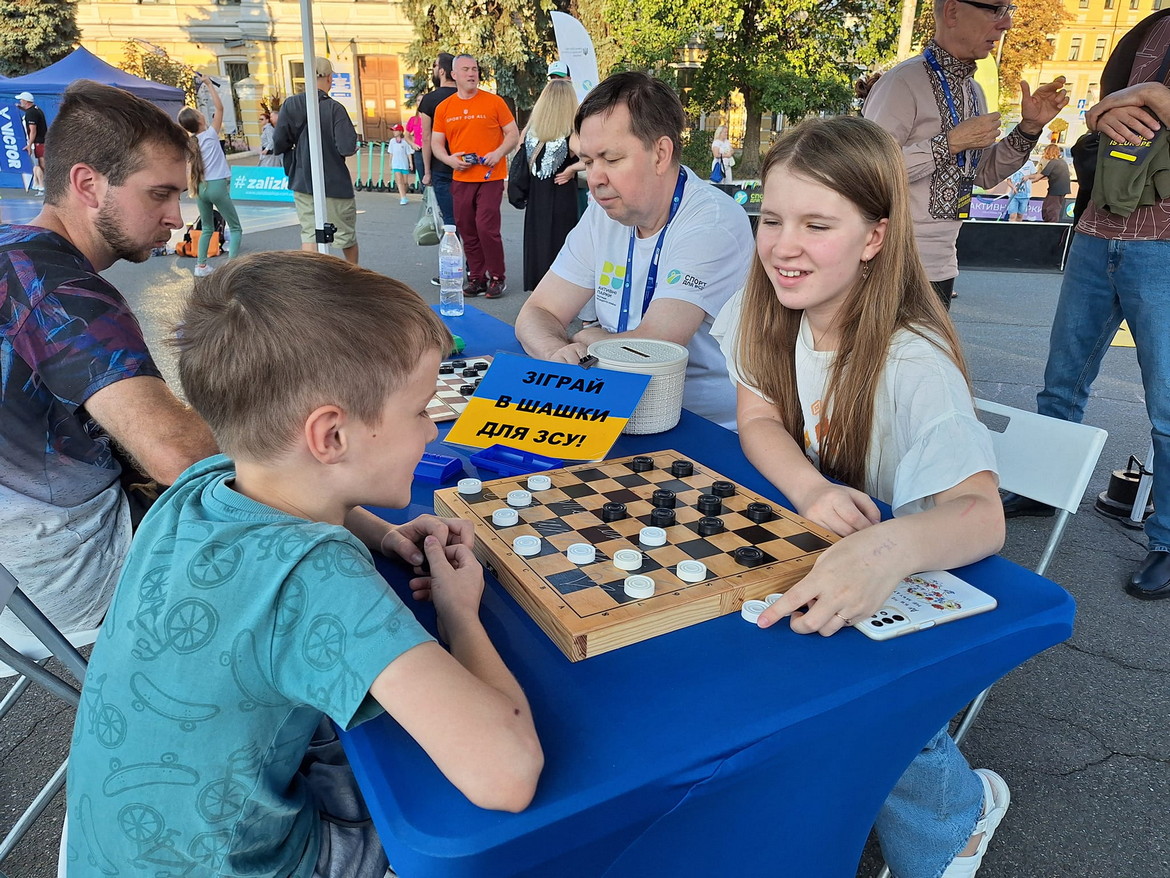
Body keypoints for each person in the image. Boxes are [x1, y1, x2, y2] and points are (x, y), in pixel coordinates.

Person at [65, 250, 544, 876]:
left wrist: (384, 533)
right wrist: (459, 616)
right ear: (331, 437)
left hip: (105, 850)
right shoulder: (314, 578)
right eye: (422, 410)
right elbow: (508, 778)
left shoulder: (199, 486)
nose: (433, 433)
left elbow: (295, 500)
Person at [710, 115, 1007, 878]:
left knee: (877, 701)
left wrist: (882, 552)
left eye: (817, 224)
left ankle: (959, 819)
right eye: (771, 219)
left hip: (921, 570)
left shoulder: (915, 360)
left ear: (875, 237)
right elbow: (757, 416)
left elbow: (981, 515)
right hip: (829, 546)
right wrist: (810, 487)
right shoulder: (766, 310)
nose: (783, 244)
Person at [0, 80, 217, 642]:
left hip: (18, 564)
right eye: (159, 194)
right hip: (61, 576)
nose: (177, 216)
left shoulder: (11, 249)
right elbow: (184, 459)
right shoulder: (63, 290)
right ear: (87, 184)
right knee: (289, 537)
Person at [1008, 9, 1170, 600]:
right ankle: (1041, 486)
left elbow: (1131, 108)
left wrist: (1150, 94)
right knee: (1061, 380)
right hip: (1099, 229)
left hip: (1165, 244)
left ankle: (1168, 539)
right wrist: (1108, 108)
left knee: (1168, 408)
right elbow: (1099, 119)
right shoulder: (1149, 27)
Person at [515, 72, 753, 430]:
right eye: (588, 161)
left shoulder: (711, 221)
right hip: (611, 404)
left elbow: (655, 347)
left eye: (610, 159)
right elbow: (538, 311)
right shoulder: (604, 210)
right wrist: (556, 351)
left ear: (660, 153)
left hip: (699, 427)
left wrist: (589, 341)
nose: (594, 178)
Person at [862, 0, 1068, 308]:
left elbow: (982, 173)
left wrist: (1029, 128)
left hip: (943, 263)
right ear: (953, 11)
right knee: (885, 356)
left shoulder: (973, 91)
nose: (1006, 24)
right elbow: (865, 172)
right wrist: (950, 143)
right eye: (995, 9)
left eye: (1007, 11)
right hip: (891, 266)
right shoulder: (903, 82)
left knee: (928, 355)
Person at [432, 54, 520, 299]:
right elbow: (436, 142)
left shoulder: (494, 102)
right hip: (461, 177)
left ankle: (496, 277)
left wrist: (499, 152)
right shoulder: (445, 108)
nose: (472, 74)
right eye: (466, 70)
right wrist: (450, 160)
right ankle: (476, 278)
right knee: (467, 228)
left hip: (490, 176)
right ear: (454, 75)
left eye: (475, 69)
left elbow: (512, 133)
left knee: (486, 227)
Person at [274, 56, 360, 264]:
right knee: (345, 235)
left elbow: (278, 141)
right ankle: (353, 278)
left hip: (302, 180)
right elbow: (347, 147)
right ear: (329, 79)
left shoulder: (291, 104)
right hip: (334, 182)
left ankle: (312, 281)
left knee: (310, 233)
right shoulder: (335, 109)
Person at [508, 77, 585, 293]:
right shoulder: (570, 133)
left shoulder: (531, 131)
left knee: (538, 245)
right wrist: (571, 169)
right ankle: (560, 297)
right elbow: (590, 159)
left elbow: (520, 159)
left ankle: (539, 294)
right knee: (560, 247)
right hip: (561, 200)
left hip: (535, 202)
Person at [178, 74, 243, 278]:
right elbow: (220, 108)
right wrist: (208, 85)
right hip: (216, 185)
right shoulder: (211, 134)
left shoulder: (192, 143)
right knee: (235, 227)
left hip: (200, 187)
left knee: (207, 228)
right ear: (200, 119)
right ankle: (232, 268)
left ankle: (201, 266)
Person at [418, 53, 458, 229]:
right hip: (466, 166)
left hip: (440, 167)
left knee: (449, 220)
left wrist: (427, 172)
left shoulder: (430, 99)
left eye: (435, 66)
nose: (433, 70)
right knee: (469, 220)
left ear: (442, 71)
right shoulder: (467, 96)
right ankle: (473, 257)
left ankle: (453, 255)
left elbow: (426, 137)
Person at [1029, 143, 1071, 222]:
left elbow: (1039, 176)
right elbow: (1043, 175)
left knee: (1051, 209)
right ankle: (1048, 223)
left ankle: (1051, 225)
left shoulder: (1053, 162)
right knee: (1046, 207)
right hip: (1059, 189)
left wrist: (1027, 180)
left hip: (1057, 189)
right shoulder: (1061, 161)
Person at [15, 91, 46, 193]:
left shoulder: (31, 114)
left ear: (26, 101)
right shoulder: (35, 110)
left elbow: (33, 130)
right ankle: (38, 184)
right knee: (37, 165)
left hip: (37, 143)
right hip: (40, 142)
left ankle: (42, 186)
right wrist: (21, 108)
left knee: (38, 165)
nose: (20, 101)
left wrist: (29, 144)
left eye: (21, 100)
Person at [388, 123, 414, 204]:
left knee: (405, 182)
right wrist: (390, 163)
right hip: (396, 163)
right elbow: (391, 153)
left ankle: (404, 194)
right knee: (399, 181)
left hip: (404, 164)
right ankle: (402, 198)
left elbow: (409, 153)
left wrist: (411, 163)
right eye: (393, 131)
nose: (394, 132)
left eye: (395, 131)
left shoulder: (405, 141)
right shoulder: (392, 141)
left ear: (400, 131)